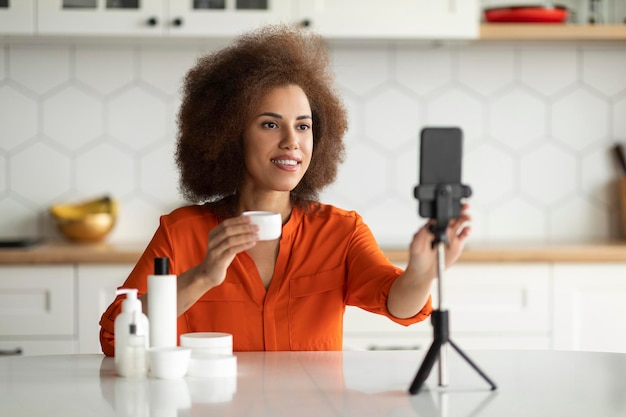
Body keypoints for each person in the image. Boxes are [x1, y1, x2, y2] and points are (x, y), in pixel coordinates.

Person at [99, 24, 471, 355]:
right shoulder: (182, 232)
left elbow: (399, 306)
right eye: (270, 125)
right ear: (229, 135)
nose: (293, 142)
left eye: (304, 126)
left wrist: (422, 271)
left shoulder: (341, 232)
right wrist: (202, 277)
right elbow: (115, 339)